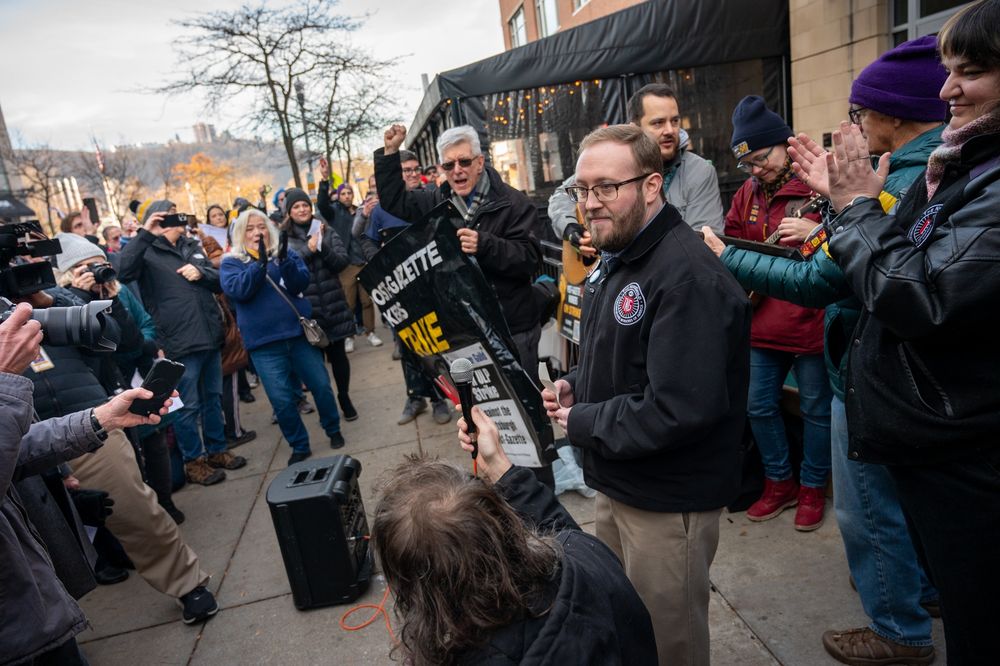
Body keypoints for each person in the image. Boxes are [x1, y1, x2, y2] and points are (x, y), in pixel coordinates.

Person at [704, 36, 948, 665]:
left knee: (866, 509)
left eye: (861, 112)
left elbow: (823, 277)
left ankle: (899, 627)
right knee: (890, 500)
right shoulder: (903, 171)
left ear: (893, 115)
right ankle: (913, 592)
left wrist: (738, 255)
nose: (855, 125)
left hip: (857, 363)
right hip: (871, 359)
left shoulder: (900, 177)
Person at [794, 2, 1000, 661]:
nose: (949, 91)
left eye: (970, 72)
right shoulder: (960, 165)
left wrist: (853, 207)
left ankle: (902, 636)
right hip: (941, 432)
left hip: (963, 442)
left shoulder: (973, 177)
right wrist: (846, 210)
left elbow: (912, 294)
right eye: (947, 72)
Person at [541, 125, 750, 666]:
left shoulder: (686, 277)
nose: (590, 204)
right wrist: (576, 382)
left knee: (667, 644)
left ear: (652, 185)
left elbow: (678, 409)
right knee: (624, 628)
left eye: (607, 187)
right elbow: (625, 355)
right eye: (582, 190)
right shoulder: (623, 253)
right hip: (620, 480)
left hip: (667, 501)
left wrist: (581, 420)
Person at [371, 406, 657, 666]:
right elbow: (560, 528)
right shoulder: (584, 556)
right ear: (503, 522)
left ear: (417, 589)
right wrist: (497, 464)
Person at [723, 95, 832, 531]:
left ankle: (812, 488)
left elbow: (852, 231)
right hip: (762, 321)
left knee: (817, 410)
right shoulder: (746, 193)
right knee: (758, 406)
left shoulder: (817, 184)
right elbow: (732, 240)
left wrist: (816, 233)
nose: (755, 170)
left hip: (809, 319)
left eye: (760, 158)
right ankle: (779, 482)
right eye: (746, 164)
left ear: (786, 144)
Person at [376, 124, 542, 389]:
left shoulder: (514, 203)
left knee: (527, 403)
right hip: (466, 332)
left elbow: (530, 259)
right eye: (448, 165)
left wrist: (485, 245)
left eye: (464, 161)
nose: (457, 170)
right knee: (483, 412)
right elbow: (394, 201)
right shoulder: (436, 201)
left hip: (512, 327)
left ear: (479, 162)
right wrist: (390, 152)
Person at [119, 199, 247, 485]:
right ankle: (194, 460)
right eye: (166, 217)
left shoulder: (191, 246)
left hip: (209, 337)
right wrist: (145, 233)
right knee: (188, 406)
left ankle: (216, 450)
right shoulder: (147, 251)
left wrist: (202, 273)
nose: (174, 220)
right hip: (179, 342)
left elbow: (218, 281)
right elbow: (124, 271)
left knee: (213, 399)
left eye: (176, 214)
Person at [220, 209, 346, 465]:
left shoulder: (284, 253)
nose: (257, 232)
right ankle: (299, 444)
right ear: (241, 234)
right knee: (282, 400)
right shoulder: (231, 262)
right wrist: (260, 264)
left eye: (262, 227)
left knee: (321, 386)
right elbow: (239, 291)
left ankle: (333, 429)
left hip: (298, 337)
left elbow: (300, 283)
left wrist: (285, 260)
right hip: (264, 346)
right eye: (250, 228)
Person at [548, 85, 725, 247]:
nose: (670, 130)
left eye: (675, 121)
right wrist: (571, 229)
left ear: (653, 185)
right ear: (635, 127)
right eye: (658, 123)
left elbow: (704, 244)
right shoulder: (613, 163)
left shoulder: (699, 171)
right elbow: (560, 197)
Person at [282, 187, 358, 421]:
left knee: (339, 358)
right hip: (308, 312)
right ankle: (328, 407)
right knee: (316, 368)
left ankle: (344, 397)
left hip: (333, 305)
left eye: (305, 205)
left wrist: (322, 246)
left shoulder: (324, 229)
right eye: (296, 206)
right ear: (289, 212)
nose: (302, 209)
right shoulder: (284, 237)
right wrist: (308, 249)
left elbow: (342, 262)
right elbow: (285, 270)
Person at [318, 162, 381, 353]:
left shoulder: (361, 210)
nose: (347, 196)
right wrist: (324, 179)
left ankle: (370, 332)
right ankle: (349, 336)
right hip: (346, 264)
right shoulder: (333, 212)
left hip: (364, 261)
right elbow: (321, 204)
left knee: (367, 301)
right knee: (349, 303)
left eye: (349, 193)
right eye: (343, 193)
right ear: (339, 195)